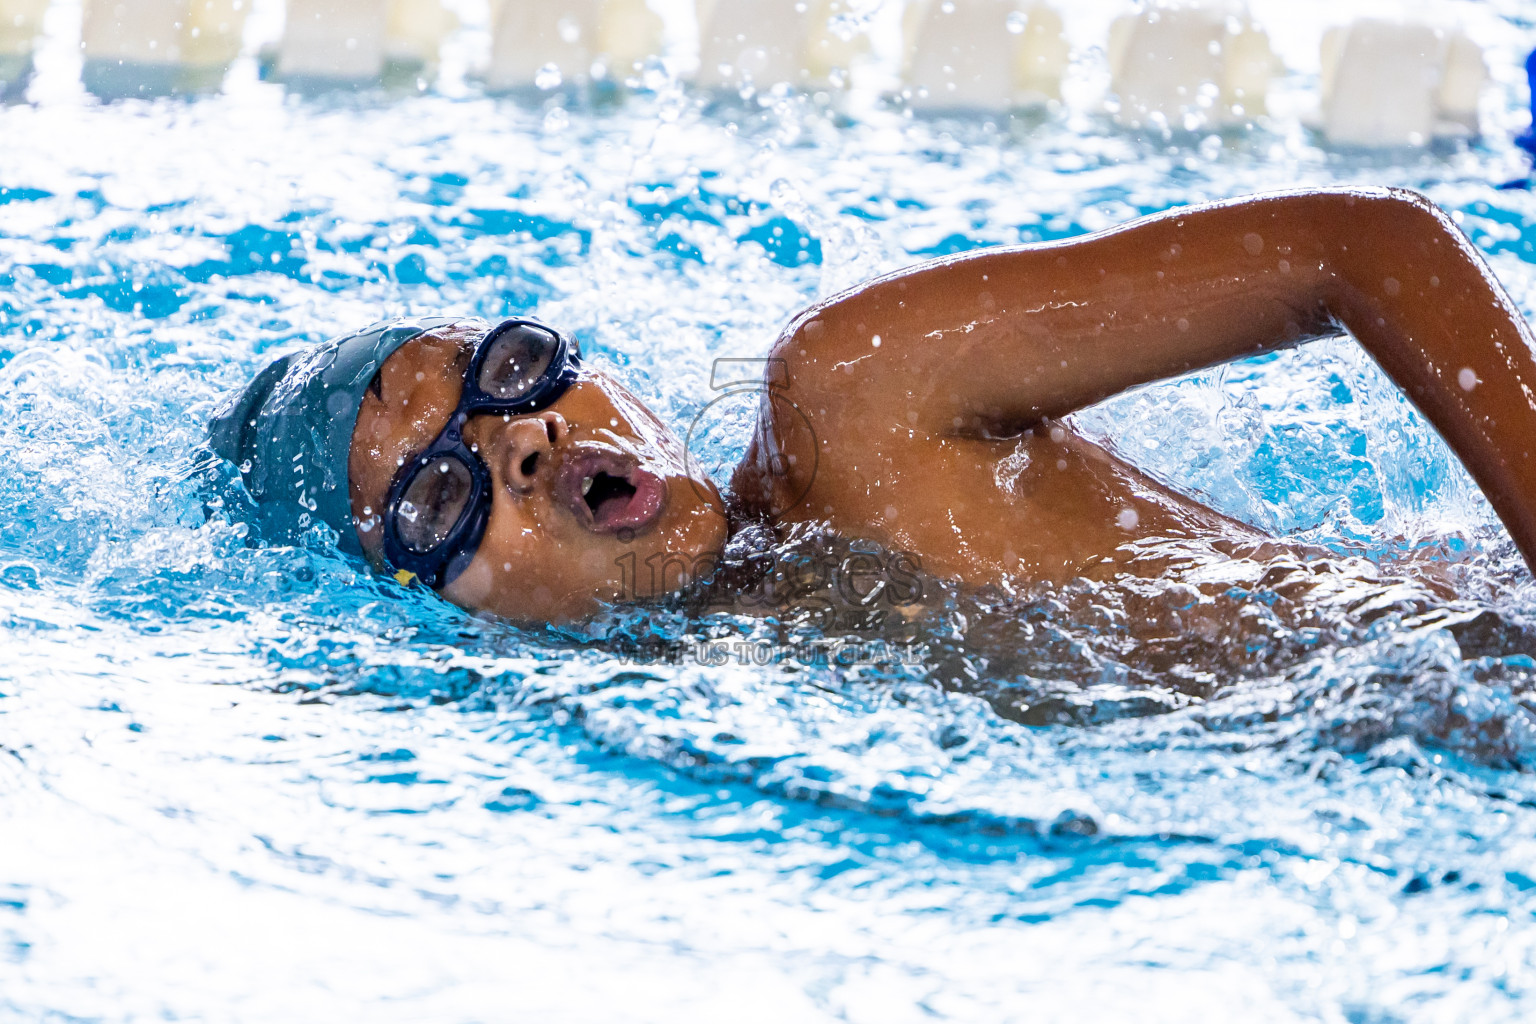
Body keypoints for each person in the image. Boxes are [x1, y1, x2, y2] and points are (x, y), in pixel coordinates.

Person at [205, 187, 1536, 628]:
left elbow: (1372, 252)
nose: (521, 437)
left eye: (504, 373)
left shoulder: (852, 398)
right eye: (442, 497)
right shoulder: (744, 691)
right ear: (428, 615)